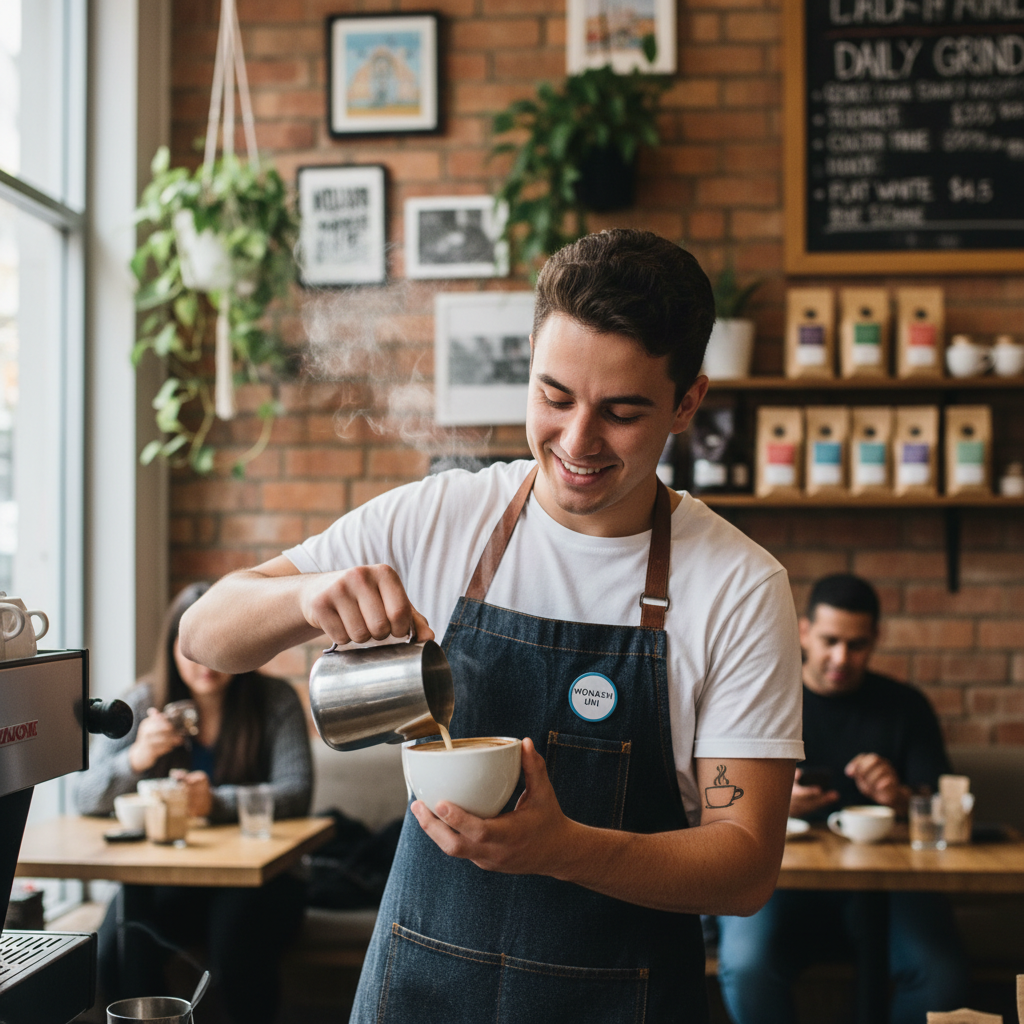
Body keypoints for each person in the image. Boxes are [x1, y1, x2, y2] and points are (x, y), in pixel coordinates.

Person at [181, 229, 806, 1024]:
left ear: (687, 403)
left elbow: (744, 868)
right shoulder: (441, 516)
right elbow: (203, 634)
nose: (577, 442)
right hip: (418, 994)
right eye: (554, 397)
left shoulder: (739, 586)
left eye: (621, 412)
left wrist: (563, 849)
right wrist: (306, 597)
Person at [716, 573, 970, 1024]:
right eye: (831, 640)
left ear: (875, 640)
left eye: (857, 645)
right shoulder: (759, 694)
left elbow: (941, 804)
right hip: (777, 877)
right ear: (804, 631)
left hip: (888, 885)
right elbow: (713, 794)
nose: (841, 658)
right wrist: (770, 799)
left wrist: (899, 797)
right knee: (747, 966)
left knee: (941, 972)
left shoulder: (904, 705)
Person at [76, 582, 313, 1024]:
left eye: (218, 647)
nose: (204, 663)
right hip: (173, 878)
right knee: (118, 945)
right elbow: (85, 796)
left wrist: (215, 803)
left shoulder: (274, 701)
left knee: (237, 940)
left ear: (242, 649)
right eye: (192, 649)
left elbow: (296, 793)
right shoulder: (144, 702)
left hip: (263, 881)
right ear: (171, 649)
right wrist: (137, 757)